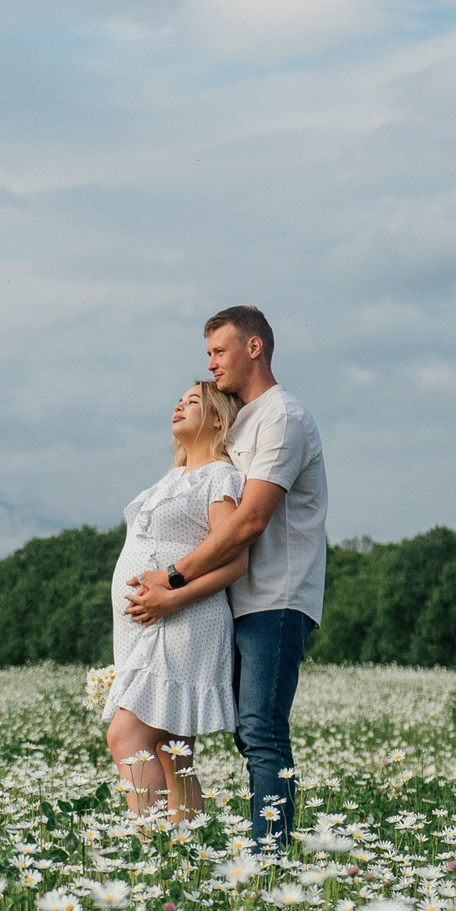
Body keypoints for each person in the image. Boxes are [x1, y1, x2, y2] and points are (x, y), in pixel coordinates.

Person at [123, 306, 327, 843]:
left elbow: (250, 522)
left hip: (274, 598)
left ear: (253, 348)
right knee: (229, 734)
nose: (211, 364)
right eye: (208, 354)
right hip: (229, 600)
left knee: (260, 730)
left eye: (219, 351)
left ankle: (269, 860)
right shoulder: (241, 420)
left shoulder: (282, 417)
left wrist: (173, 579)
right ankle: (195, 844)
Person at [102, 382, 253, 825]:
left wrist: (170, 599)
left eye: (193, 402)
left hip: (183, 621)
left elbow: (236, 562)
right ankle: (187, 858)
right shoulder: (175, 475)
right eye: (179, 399)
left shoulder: (220, 477)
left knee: (126, 735)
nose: (179, 405)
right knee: (174, 754)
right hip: (146, 624)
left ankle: (151, 855)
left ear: (219, 420)